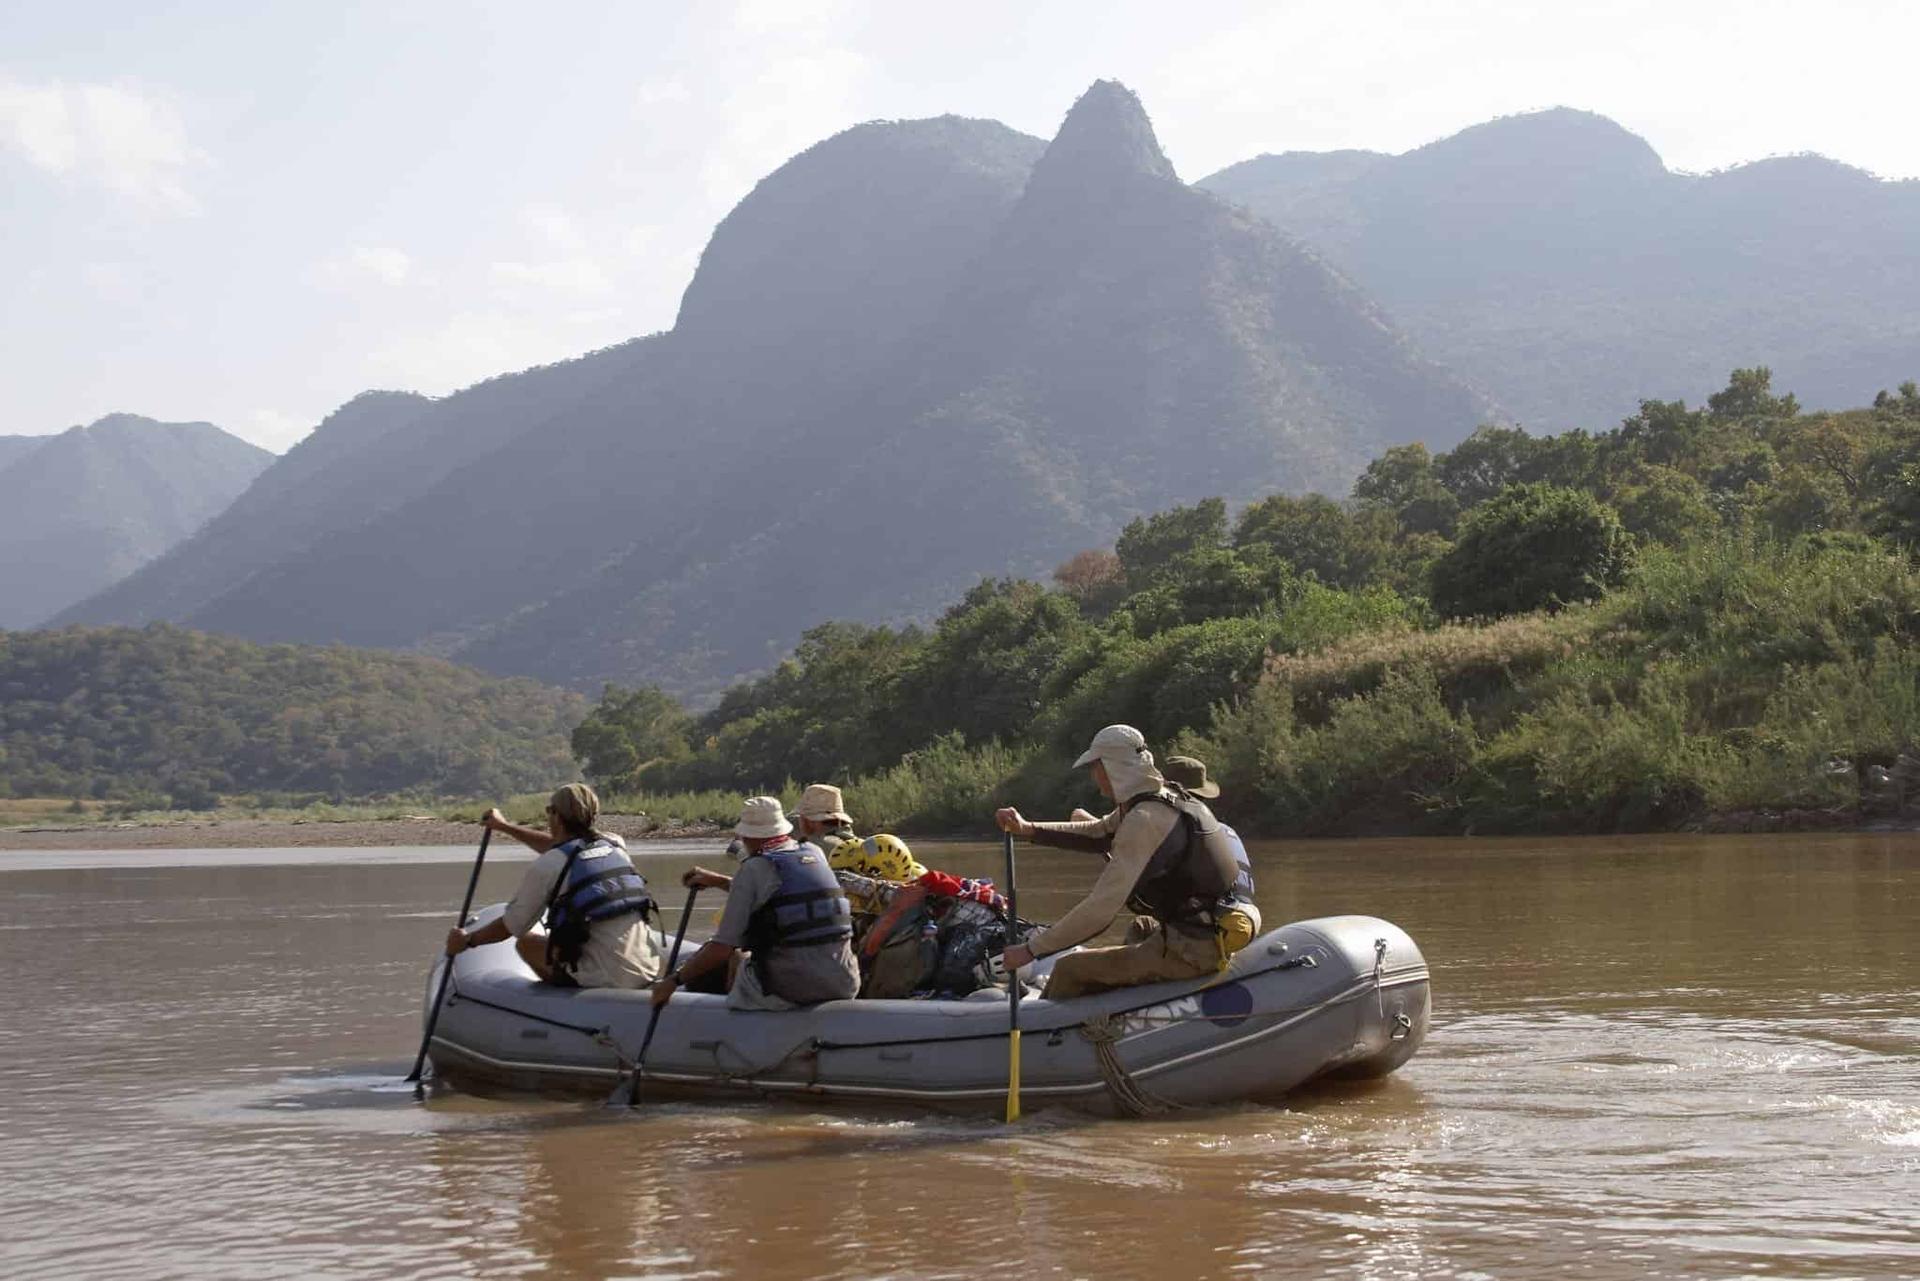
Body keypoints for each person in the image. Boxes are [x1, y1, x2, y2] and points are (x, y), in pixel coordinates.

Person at [994, 725, 1250, 999]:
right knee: (1141, 927)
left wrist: (1031, 949)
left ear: (1112, 767)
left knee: (1070, 968)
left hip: (1194, 949)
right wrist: (1028, 829)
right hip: (1208, 931)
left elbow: (1100, 910)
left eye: (1096, 766)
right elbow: (1099, 833)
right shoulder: (1165, 799)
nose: (1094, 775)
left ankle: (1051, 1036)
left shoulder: (1144, 821)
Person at [651, 796, 860, 1011]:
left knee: (736, 960)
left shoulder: (753, 869)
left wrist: (672, 982)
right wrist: (718, 881)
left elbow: (722, 948)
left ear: (746, 835)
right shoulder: (814, 853)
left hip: (791, 990)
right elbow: (778, 895)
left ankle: (731, 1030)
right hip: (844, 983)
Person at [445, 783, 661, 989]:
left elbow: (511, 926)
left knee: (526, 943)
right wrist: (504, 826)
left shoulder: (549, 865)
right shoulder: (615, 845)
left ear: (557, 817)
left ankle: (560, 1005)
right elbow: (561, 847)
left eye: (550, 811)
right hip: (647, 968)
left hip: (602, 976)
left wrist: (467, 940)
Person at [792, 783, 858, 855]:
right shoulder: (858, 845)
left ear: (810, 821)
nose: (799, 821)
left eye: (801, 816)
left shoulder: (812, 850)